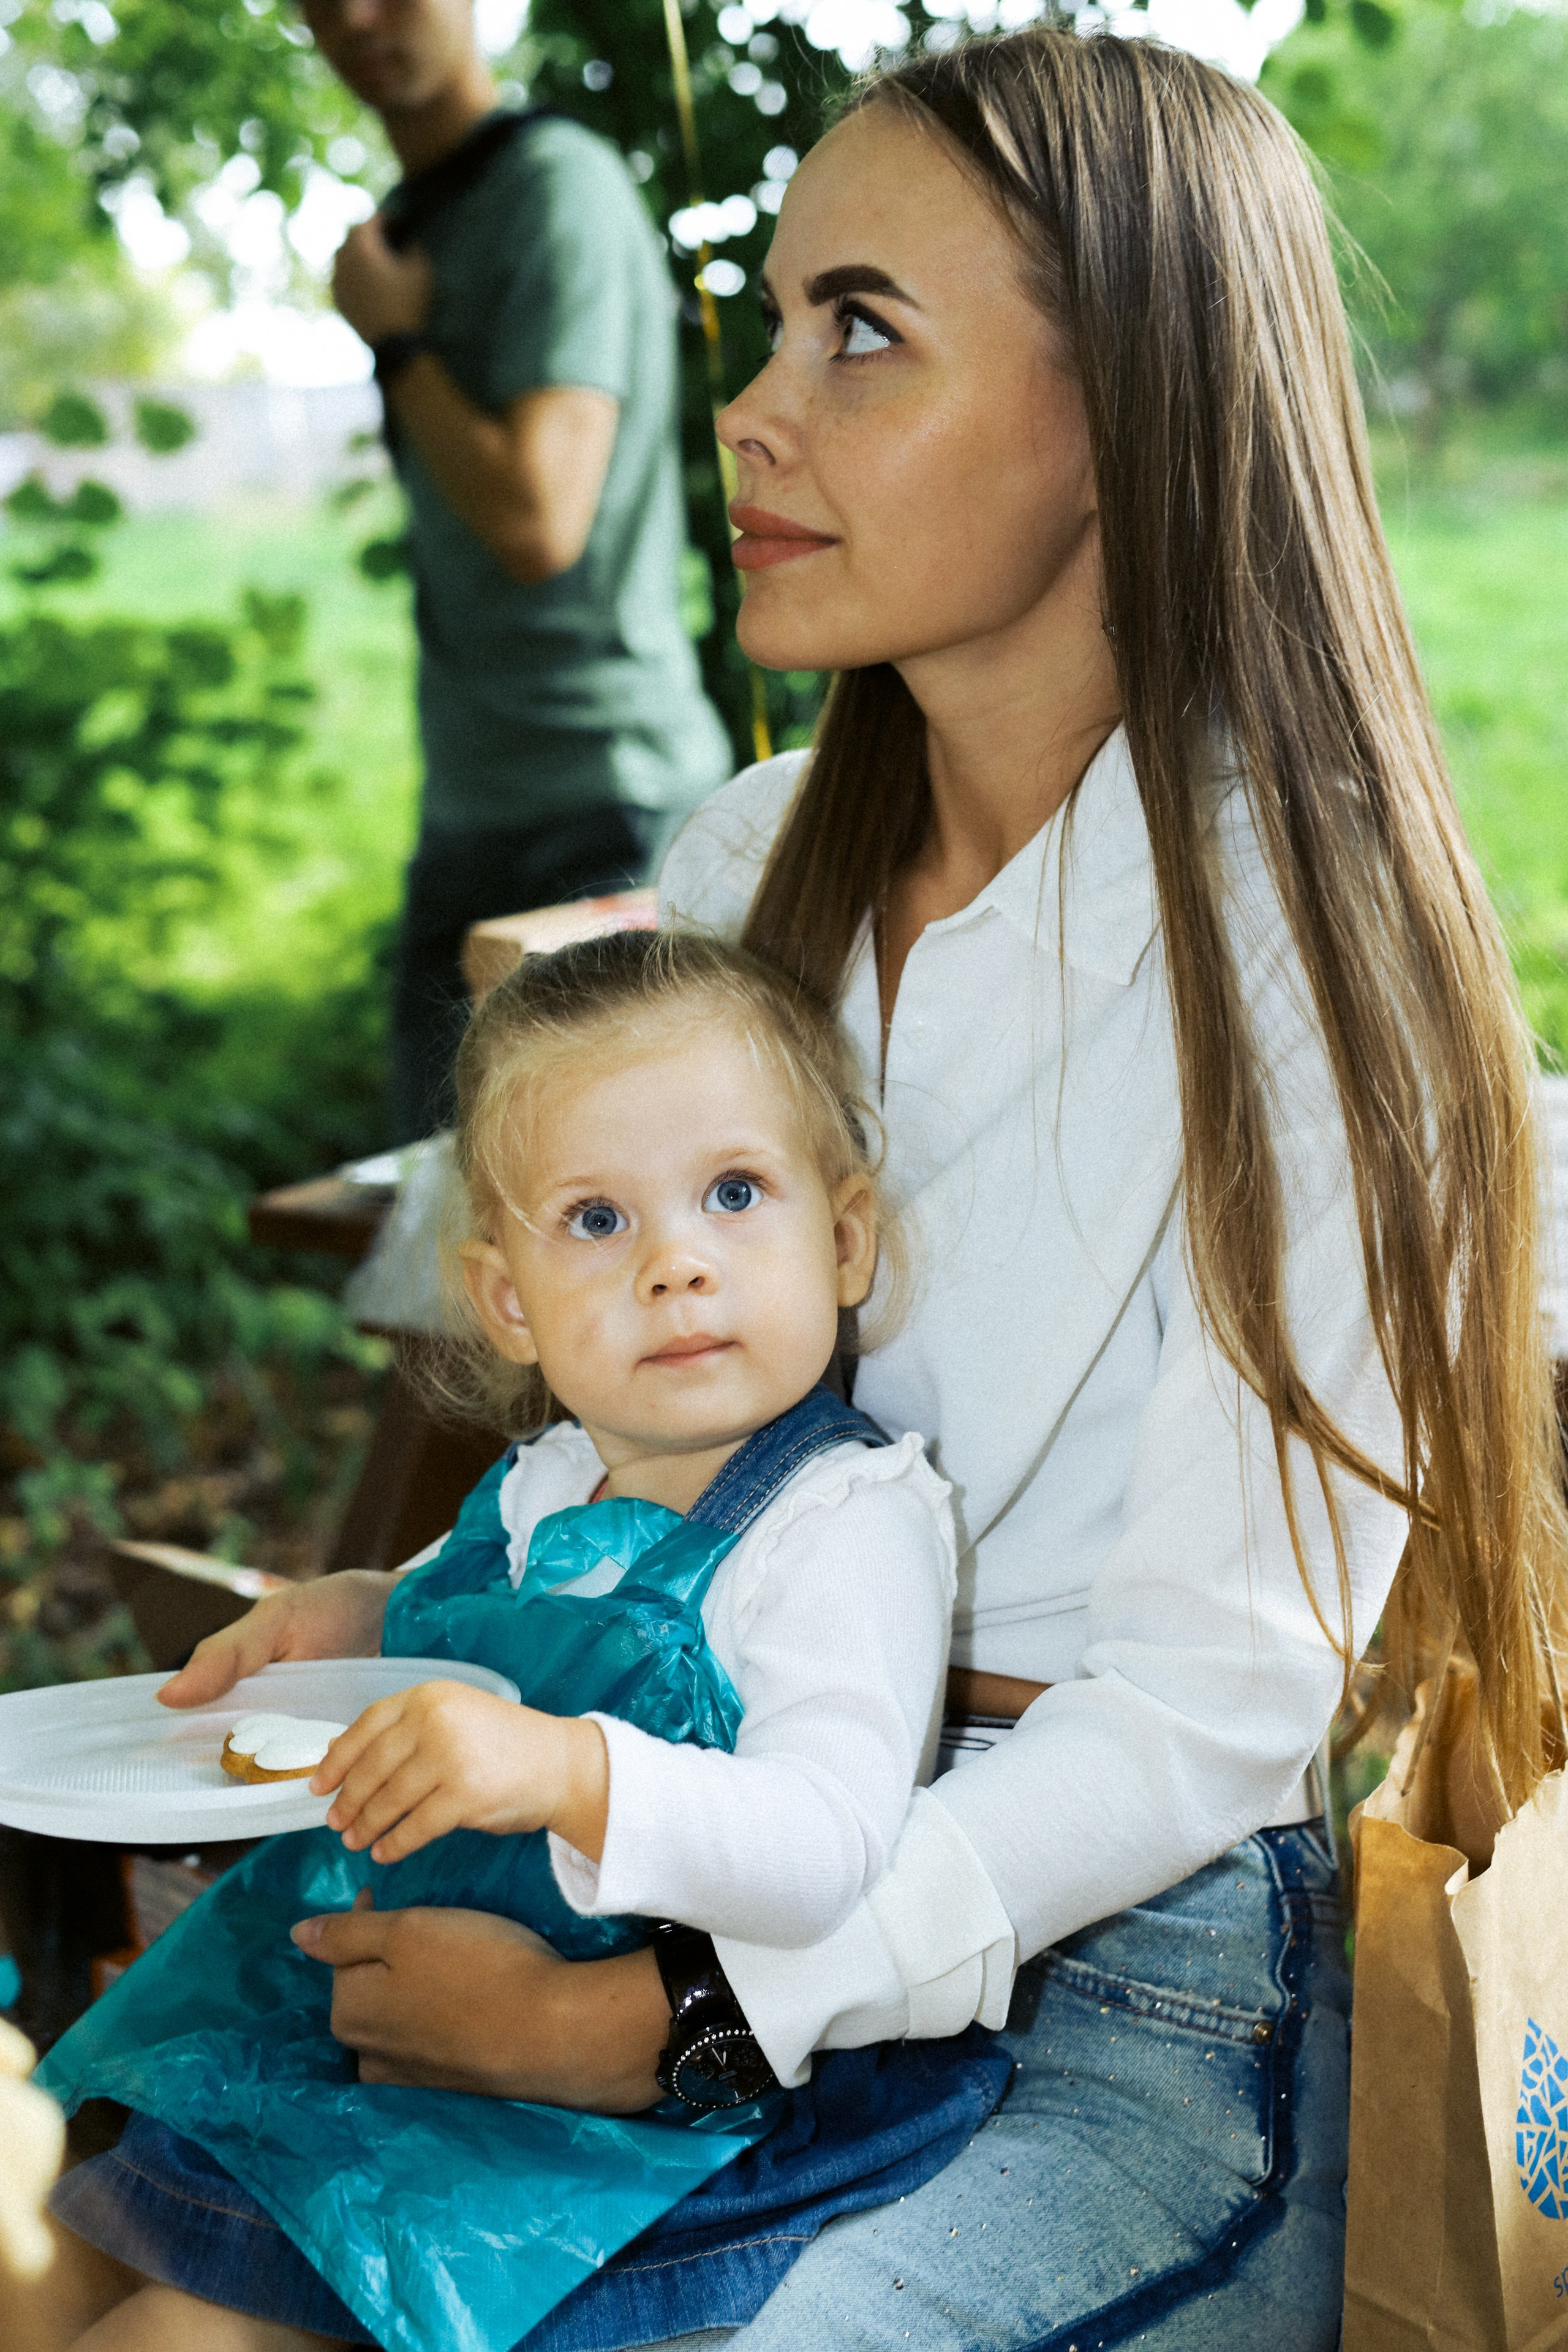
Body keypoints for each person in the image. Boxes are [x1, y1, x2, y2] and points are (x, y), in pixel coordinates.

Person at [27, 24, 1568, 2351]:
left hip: (1108, 2001)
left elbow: (1201, 1721)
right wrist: (434, 1619)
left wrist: (687, 2014)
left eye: (863, 334)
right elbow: (675, 1450)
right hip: (646, 1834)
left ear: (1131, 409)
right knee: (132, 2298)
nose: (752, 410)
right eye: (770, 327)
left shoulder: (1315, 963)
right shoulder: (748, 870)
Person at [38, 932, 1010, 2351]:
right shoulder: (549, 1479)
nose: (678, 1264)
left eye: (734, 1194)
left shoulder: (843, 1524)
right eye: (597, 1221)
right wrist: (351, 1615)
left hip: (644, 2111)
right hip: (423, 2026)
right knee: (89, 2242)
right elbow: (454, 1626)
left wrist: (563, 1772)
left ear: (843, 1233)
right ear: (504, 1298)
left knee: (192, 2330)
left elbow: (823, 1845)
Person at [305, 0, 732, 1140]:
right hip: (473, 801)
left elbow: (541, 518)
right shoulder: (412, 223)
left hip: (605, 800)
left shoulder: (559, 189)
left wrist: (398, 346)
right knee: (433, 1269)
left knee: (606, 1243)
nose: (353, 15)